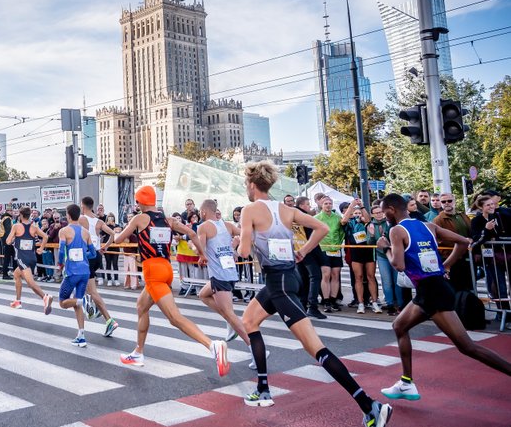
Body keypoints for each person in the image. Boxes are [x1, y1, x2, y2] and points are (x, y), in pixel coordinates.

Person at [237, 162, 391, 426]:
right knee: (249, 321)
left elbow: (242, 252)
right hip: (286, 278)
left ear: (251, 185)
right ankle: (263, 389)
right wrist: (304, 251)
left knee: (316, 348)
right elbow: (321, 229)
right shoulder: (286, 209)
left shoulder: (250, 210)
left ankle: (370, 405)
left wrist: (241, 238)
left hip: (280, 284)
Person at [378, 193, 511, 402]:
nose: (384, 214)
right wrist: (446, 265)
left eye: (384, 210)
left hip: (433, 292)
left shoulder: (396, 230)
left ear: (392, 209)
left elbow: (399, 265)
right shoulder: (428, 226)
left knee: (467, 346)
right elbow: (463, 242)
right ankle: (406, 382)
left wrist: (384, 249)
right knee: (399, 326)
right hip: (430, 289)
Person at [113, 186, 229, 376]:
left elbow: (118, 239)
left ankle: (212, 345)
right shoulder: (168, 220)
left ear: (141, 202)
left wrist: (112, 233)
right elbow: (192, 233)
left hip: (153, 272)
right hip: (166, 269)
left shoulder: (139, 218)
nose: (137, 204)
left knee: (175, 318)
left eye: (137, 201)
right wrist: (202, 254)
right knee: (141, 306)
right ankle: (138, 353)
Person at [192, 199, 249, 345]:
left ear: (203, 212)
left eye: (199, 211)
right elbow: (247, 235)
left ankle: (254, 345)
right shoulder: (228, 225)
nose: (199, 214)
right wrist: (235, 246)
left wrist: (194, 247)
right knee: (203, 295)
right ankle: (231, 321)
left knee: (229, 313)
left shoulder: (203, 227)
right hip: (230, 271)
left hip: (219, 274)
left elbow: (201, 249)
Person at [78, 196, 118, 337]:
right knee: (85, 288)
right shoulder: (99, 221)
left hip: (87, 256)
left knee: (90, 291)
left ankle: (107, 318)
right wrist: (105, 247)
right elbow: (113, 234)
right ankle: (95, 309)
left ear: (83, 206)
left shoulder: (82, 219)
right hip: (96, 255)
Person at [56, 204, 94, 346]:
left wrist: (60, 264)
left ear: (68, 215)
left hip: (72, 272)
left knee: (62, 302)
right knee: (76, 303)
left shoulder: (64, 231)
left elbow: (61, 251)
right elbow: (94, 253)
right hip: (85, 271)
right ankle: (81, 336)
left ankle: (82, 301)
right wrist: (83, 255)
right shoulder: (86, 232)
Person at [6, 206, 54, 313]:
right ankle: (17, 301)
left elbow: (8, 241)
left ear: (21, 215)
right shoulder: (34, 227)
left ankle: (45, 297)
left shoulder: (16, 226)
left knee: (30, 282)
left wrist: (14, 238)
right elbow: (45, 237)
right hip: (32, 257)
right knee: (16, 275)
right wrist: (41, 249)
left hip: (22, 258)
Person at [470, 193, 510, 310]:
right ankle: (503, 313)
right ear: (481, 207)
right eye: (488, 205)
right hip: (490, 258)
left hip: (506, 254)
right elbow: (476, 240)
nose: (492, 207)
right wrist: (486, 230)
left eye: (492, 204)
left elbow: (503, 234)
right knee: (499, 285)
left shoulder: (499, 216)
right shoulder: (476, 220)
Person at [430, 193, 473, 292]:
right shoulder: (438, 220)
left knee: (468, 286)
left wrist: (470, 239)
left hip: (466, 256)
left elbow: (471, 231)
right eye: (443, 201)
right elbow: (440, 239)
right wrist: (462, 241)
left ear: (454, 201)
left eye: (449, 201)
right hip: (450, 257)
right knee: (455, 287)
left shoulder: (462, 216)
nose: (446, 203)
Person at [347, 204, 382, 314]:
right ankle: (361, 303)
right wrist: (351, 207)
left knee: (371, 276)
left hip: (368, 250)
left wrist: (362, 206)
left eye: (360, 213)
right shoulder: (350, 222)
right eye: (355, 213)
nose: (358, 215)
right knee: (359, 277)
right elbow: (344, 220)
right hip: (356, 251)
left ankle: (375, 302)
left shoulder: (368, 221)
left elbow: (367, 218)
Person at [295, 196, 326, 319]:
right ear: (302, 206)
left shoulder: (291, 217)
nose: (309, 207)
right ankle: (312, 306)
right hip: (307, 251)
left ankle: (302, 304)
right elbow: (314, 234)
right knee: (315, 276)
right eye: (308, 204)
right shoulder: (303, 217)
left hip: (296, 251)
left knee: (304, 279)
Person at [371, 203, 402, 316]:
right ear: (372, 215)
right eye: (376, 213)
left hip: (394, 253)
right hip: (382, 255)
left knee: (397, 280)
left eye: (380, 212)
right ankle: (389, 304)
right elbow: (371, 242)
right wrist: (372, 234)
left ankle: (400, 304)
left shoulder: (391, 222)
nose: (379, 214)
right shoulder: (371, 225)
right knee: (386, 281)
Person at [315, 197, 345, 312]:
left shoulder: (337, 218)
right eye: (325, 203)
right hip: (323, 249)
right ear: (321, 205)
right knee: (326, 274)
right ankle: (326, 300)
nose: (328, 205)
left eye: (330, 203)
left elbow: (342, 232)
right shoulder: (316, 218)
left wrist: (338, 243)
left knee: (336, 274)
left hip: (335, 249)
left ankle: (333, 299)